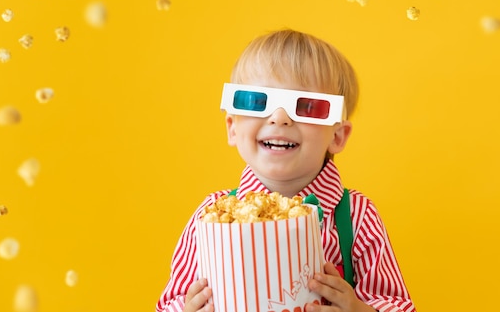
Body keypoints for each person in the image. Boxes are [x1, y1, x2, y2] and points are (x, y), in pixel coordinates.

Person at [156, 29, 416, 312]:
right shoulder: (210, 217)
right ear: (232, 127)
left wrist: (359, 309)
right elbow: (169, 303)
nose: (279, 118)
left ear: (337, 136)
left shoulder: (356, 217)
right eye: (257, 102)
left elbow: (398, 305)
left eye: (307, 107)